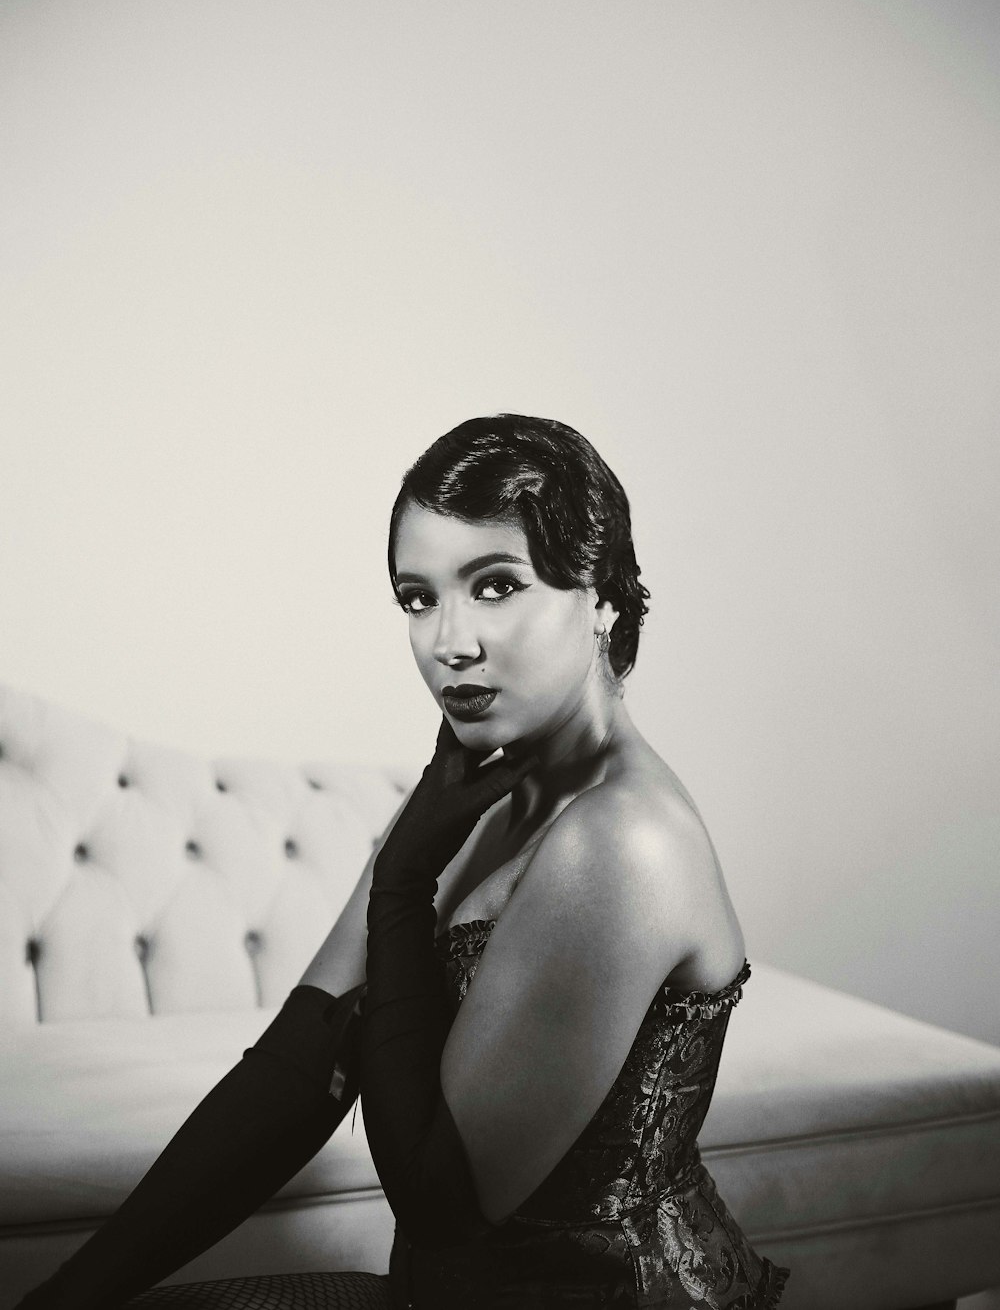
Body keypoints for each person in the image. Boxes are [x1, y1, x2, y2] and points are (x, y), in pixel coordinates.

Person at [16, 413, 789, 1310]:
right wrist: (65, 1297)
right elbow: (296, 1076)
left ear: (602, 598)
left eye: (495, 586)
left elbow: (438, 1204)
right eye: (418, 598)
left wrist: (401, 882)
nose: (447, 640)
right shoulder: (471, 805)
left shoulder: (617, 841)